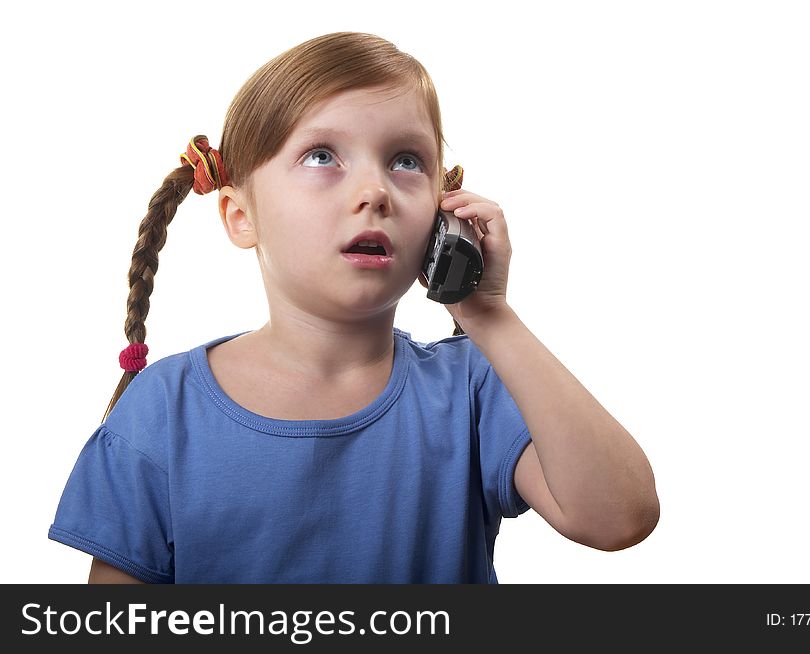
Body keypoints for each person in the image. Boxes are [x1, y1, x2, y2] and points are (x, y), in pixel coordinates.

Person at [48, 31, 660, 584]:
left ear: (443, 210)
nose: (375, 192)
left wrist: (489, 316)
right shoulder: (161, 410)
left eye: (406, 161)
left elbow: (618, 519)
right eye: (322, 157)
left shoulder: (472, 389)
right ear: (241, 215)